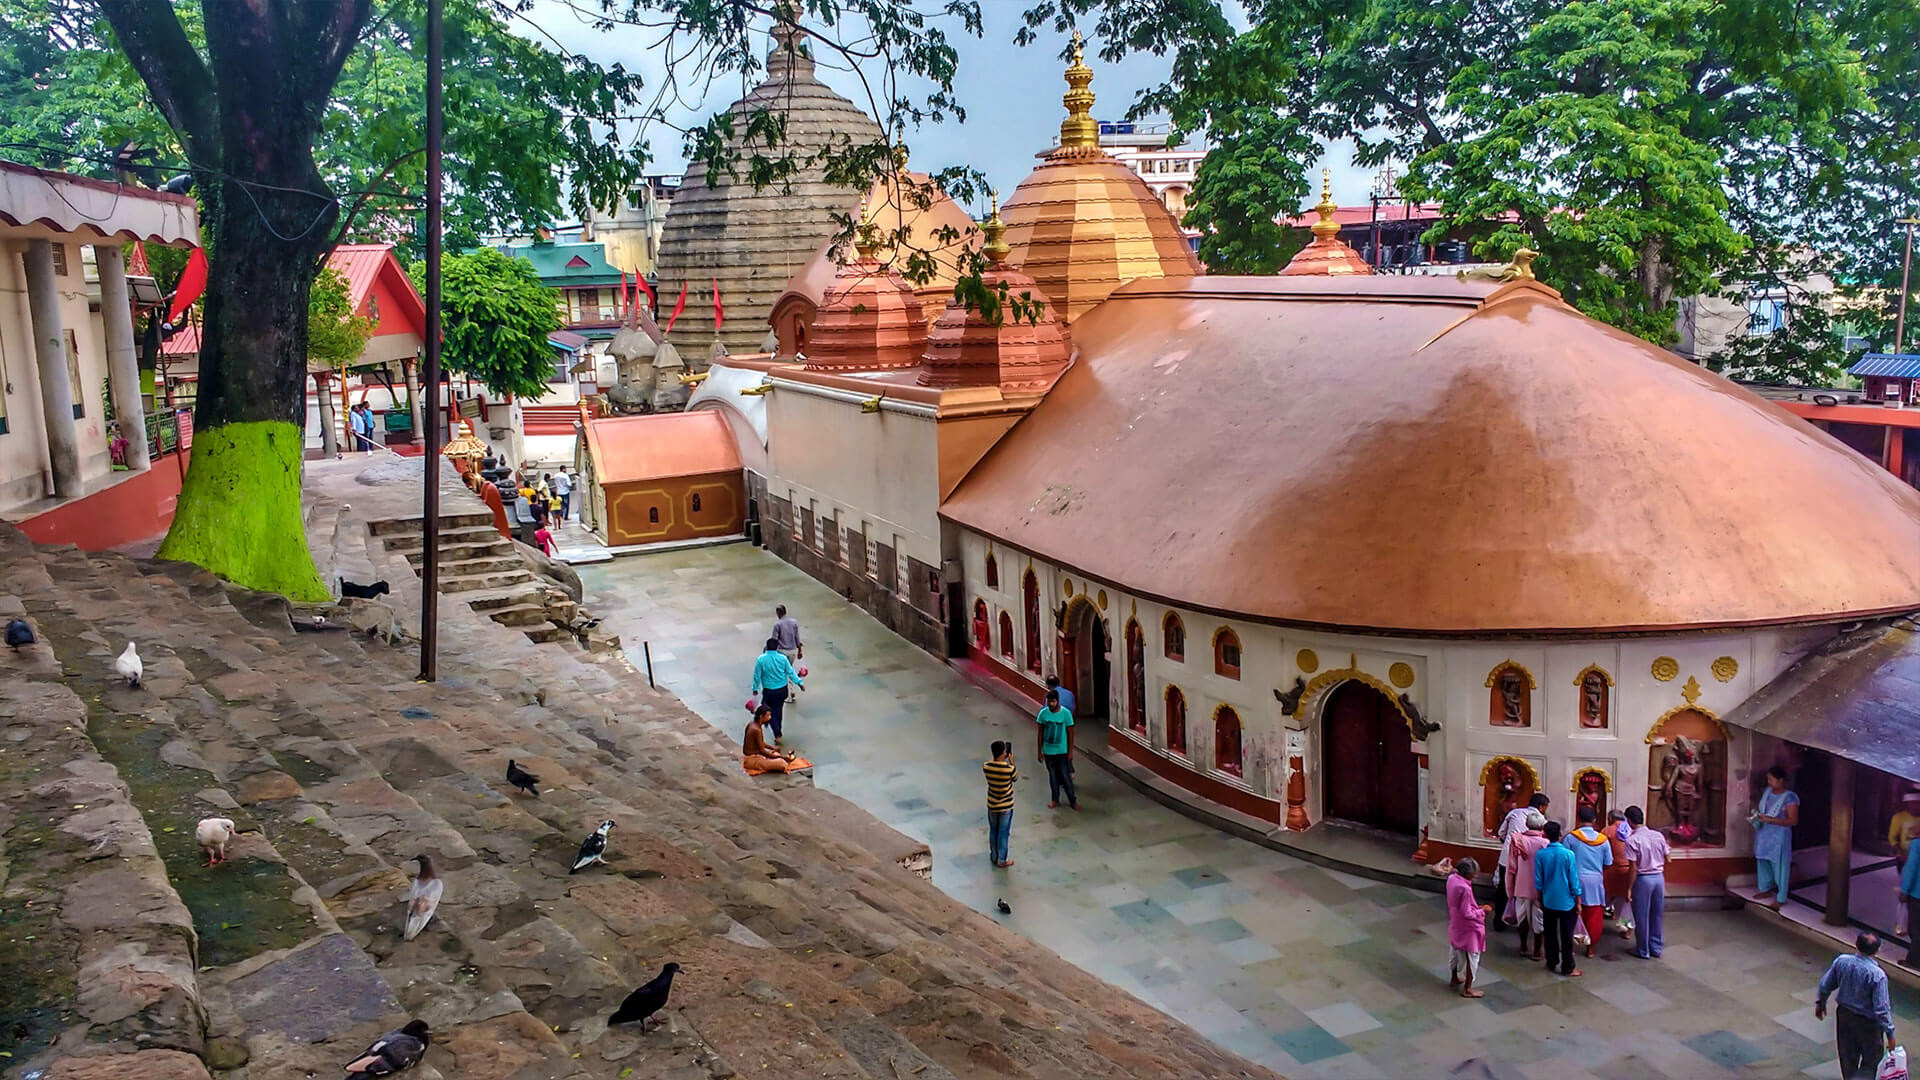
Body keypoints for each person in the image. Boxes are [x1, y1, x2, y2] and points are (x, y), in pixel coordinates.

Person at [1815, 932, 1896, 1080]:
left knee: (1847, 1057)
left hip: (1845, 1015)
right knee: (1871, 1062)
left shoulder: (1842, 962)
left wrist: (1821, 1002)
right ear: (1877, 950)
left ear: (1856, 944)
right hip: (1868, 1024)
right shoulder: (1877, 975)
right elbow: (1882, 1009)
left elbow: (1825, 984)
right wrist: (1890, 1033)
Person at [1496, 792, 1551, 932]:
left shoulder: (1515, 813)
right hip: (1525, 860)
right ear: (1541, 807)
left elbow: (1501, 833)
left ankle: (1499, 921)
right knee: (1523, 893)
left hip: (1507, 856)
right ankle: (1524, 923)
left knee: (1503, 888)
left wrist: (1510, 842)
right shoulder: (1542, 820)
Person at [1534, 820, 1582, 977]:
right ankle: (1568, 966)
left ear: (1545, 834)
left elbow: (1538, 881)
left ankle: (1551, 961)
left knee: (1550, 932)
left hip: (1548, 899)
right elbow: (1574, 881)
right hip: (1566, 901)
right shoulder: (1568, 855)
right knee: (1566, 935)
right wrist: (1578, 901)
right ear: (1560, 834)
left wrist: (1540, 899)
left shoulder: (1541, 855)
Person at [1622, 804, 1670, 959]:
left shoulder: (1632, 840)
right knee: (1657, 913)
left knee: (1642, 915)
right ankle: (1655, 947)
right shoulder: (1658, 835)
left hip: (1643, 879)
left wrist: (1629, 888)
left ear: (1628, 821)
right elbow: (1668, 858)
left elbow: (1633, 867)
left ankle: (1643, 949)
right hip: (1658, 878)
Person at [1566, 805, 1613, 957]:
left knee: (1572, 914)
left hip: (1575, 880)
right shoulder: (1603, 840)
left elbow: (1565, 861)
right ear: (1594, 820)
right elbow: (1608, 863)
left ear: (1578, 819)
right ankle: (1591, 948)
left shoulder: (1571, 838)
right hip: (1595, 882)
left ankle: (1570, 947)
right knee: (1594, 916)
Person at [1752, 764, 1800, 908]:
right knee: (1762, 861)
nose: (1769, 782)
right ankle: (1765, 889)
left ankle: (1781, 897)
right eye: (1768, 779)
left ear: (1781, 780)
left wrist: (1771, 820)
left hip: (1779, 837)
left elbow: (1793, 821)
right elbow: (1764, 810)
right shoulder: (1767, 792)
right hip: (1764, 834)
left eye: (1771, 779)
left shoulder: (1790, 797)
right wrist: (1757, 816)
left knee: (1780, 866)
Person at [1505, 808, 1550, 959]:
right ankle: (1537, 951)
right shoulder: (1545, 843)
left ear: (1526, 824)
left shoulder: (1517, 840)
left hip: (1521, 885)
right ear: (1542, 827)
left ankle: (1524, 946)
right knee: (1539, 920)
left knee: (1522, 918)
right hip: (1540, 889)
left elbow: (1511, 868)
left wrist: (1510, 891)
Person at [1446, 857, 1491, 998]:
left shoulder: (1452, 878)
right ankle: (1468, 988)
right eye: (1474, 873)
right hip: (1468, 926)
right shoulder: (1465, 888)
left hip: (1455, 920)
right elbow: (1467, 913)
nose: (1476, 875)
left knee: (1455, 949)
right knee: (1473, 955)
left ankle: (1454, 977)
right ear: (1467, 873)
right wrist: (1483, 911)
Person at [749, 638, 803, 742]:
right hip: (782, 690)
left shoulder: (761, 659)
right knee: (778, 710)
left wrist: (755, 688)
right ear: (777, 647)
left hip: (769, 690)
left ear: (767, 647)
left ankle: (777, 732)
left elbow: (757, 676)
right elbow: (790, 672)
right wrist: (799, 683)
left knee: (767, 710)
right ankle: (777, 728)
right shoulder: (782, 658)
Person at [1036, 689, 1077, 810]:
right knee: (1052, 777)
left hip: (1062, 752)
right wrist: (1039, 751)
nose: (1051, 704)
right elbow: (1040, 733)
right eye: (1049, 702)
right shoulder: (1043, 714)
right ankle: (1055, 799)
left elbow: (1071, 733)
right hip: (1048, 752)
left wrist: (1070, 751)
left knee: (1065, 776)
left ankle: (1073, 801)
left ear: (1058, 701)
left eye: (1053, 701)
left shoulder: (1066, 714)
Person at [740, 707, 811, 774]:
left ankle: (778, 758)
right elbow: (762, 751)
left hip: (755, 757)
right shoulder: (756, 730)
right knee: (781, 764)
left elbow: (761, 743)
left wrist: (772, 748)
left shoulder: (752, 724)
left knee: (776, 753)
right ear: (761, 716)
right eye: (768, 716)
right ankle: (781, 760)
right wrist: (781, 757)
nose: (770, 718)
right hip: (752, 760)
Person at [1889, 790, 1920, 936]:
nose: (1916, 807)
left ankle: (1911, 924)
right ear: (1907, 804)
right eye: (1913, 804)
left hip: (1916, 861)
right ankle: (1903, 923)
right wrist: (1899, 852)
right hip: (1904, 860)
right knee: (1906, 891)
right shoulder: (1899, 818)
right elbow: (1892, 838)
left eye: (1918, 804)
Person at [984, 740, 1017, 868]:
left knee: (993, 830)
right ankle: (1002, 859)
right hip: (1006, 806)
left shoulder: (986, 767)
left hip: (992, 804)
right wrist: (1012, 762)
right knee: (1003, 832)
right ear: (1004, 753)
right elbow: (1015, 778)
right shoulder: (1009, 769)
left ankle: (994, 855)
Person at [1603, 808, 1635, 938]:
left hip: (1612, 871)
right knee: (1625, 901)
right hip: (1630, 870)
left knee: (1604, 897)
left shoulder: (1607, 831)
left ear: (1610, 819)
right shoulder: (1632, 831)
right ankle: (1627, 929)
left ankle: (1595, 924)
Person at [1902, 837, 1920, 967]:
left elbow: (1911, 867)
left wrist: (1904, 889)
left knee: (1916, 929)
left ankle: (1914, 961)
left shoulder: (1917, 844)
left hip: (1917, 893)